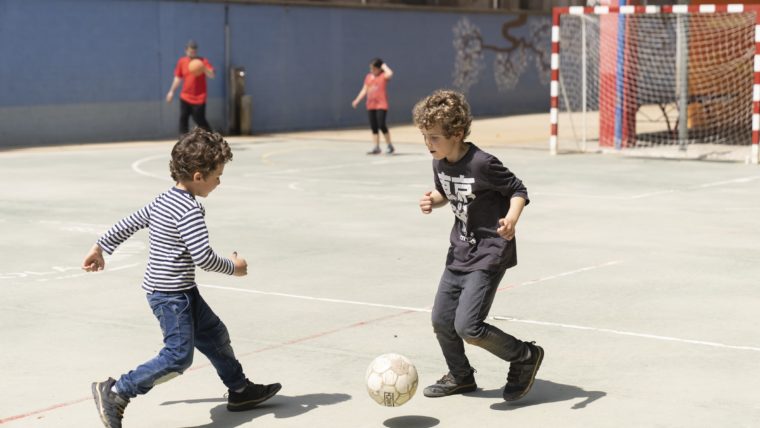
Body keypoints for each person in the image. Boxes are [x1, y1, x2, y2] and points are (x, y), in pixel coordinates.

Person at [82, 128, 281, 428]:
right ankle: (116, 391)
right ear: (199, 176)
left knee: (215, 336)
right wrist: (235, 267)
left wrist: (100, 247)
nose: (219, 182)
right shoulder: (189, 210)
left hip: (181, 291)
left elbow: (128, 223)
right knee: (177, 357)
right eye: (217, 175)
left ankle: (240, 390)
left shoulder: (163, 199)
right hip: (170, 297)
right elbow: (204, 258)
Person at [413, 89, 543, 402]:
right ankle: (460, 376)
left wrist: (511, 219)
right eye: (425, 137)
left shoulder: (482, 163)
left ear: (456, 134)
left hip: (489, 252)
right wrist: (436, 200)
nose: (428, 144)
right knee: (441, 321)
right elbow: (451, 193)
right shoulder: (440, 162)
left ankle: (524, 355)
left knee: (468, 327)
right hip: (458, 251)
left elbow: (518, 189)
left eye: (434, 137)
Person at [166, 40, 215, 134]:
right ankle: (183, 141)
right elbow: (178, 78)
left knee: (199, 119)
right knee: (183, 118)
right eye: (190, 51)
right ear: (186, 50)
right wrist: (171, 91)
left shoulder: (202, 61)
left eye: (194, 51)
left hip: (199, 98)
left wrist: (203, 68)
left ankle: (210, 137)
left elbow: (212, 75)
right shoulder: (182, 61)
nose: (192, 53)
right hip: (185, 96)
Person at [352, 58, 395, 155]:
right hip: (371, 105)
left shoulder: (383, 76)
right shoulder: (368, 77)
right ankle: (376, 147)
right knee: (374, 127)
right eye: (370, 68)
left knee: (381, 125)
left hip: (381, 105)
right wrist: (357, 100)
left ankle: (389, 145)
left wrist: (384, 65)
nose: (371, 70)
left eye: (374, 68)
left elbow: (390, 73)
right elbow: (364, 89)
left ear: (379, 69)